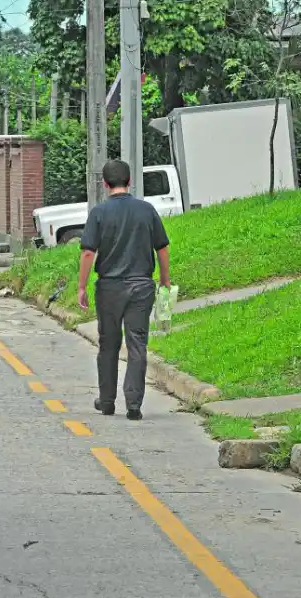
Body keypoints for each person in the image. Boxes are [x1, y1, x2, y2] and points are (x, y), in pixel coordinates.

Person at [77, 159, 171, 421]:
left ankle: (107, 401)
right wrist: (164, 279)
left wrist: (82, 286)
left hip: (109, 288)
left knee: (108, 344)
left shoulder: (99, 213)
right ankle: (134, 404)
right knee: (137, 343)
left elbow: (87, 253)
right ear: (130, 182)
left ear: (105, 184)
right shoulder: (146, 210)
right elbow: (161, 247)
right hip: (141, 286)